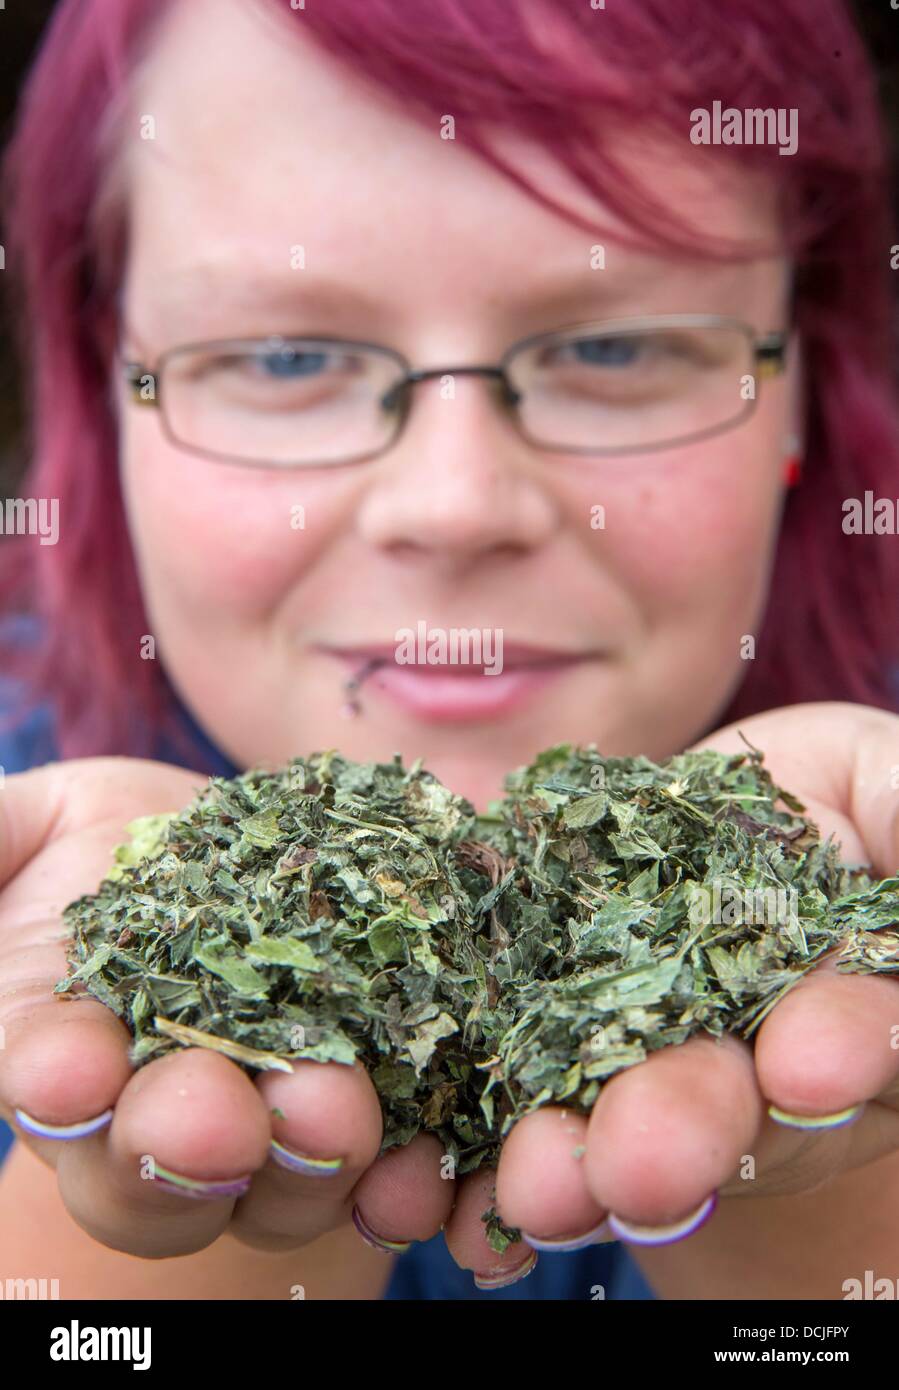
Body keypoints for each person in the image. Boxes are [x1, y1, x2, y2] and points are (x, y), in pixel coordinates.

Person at [0, 0, 898, 1301]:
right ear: (107, 393)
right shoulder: (32, 865)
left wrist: (826, 1219)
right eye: (286, 353)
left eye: (614, 345)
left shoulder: (870, 831)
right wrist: (173, 1242)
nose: (456, 504)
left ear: (800, 390)